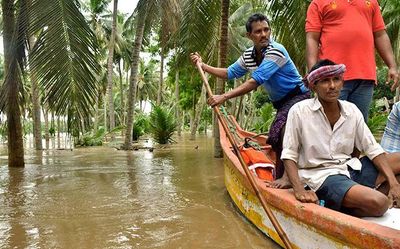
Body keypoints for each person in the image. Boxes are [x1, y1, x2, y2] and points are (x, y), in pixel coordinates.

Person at [190, 13, 310, 186]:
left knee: (283, 131)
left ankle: (287, 179)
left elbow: (256, 81)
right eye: (258, 31)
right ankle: (284, 176)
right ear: (249, 36)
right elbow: (229, 73)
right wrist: (203, 66)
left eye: (266, 30)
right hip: (282, 103)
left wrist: (223, 97)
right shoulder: (249, 56)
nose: (263, 34)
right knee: (278, 134)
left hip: (298, 96)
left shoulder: (276, 51)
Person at [281, 59, 400, 217]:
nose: (332, 86)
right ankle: (341, 200)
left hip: (350, 169)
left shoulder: (351, 110)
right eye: (325, 81)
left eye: (336, 79)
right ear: (313, 86)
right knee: (379, 203)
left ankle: (353, 197)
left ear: (342, 82)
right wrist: (299, 190)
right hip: (321, 177)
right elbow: (289, 154)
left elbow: (372, 149)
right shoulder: (299, 111)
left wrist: (393, 184)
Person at [305, 0, 399, 122]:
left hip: (365, 76)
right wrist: (314, 74)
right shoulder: (318, 3)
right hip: (332, 78)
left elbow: (380, 34)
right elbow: (312, 38)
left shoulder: (371, 2)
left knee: (358, 125)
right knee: (330, 125)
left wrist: (392, 65)